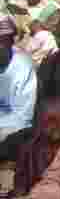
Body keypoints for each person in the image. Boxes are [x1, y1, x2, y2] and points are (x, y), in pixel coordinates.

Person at [0, 17, 37, 145]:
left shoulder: (23, 66)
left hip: (13, 130)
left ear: (11, 41)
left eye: (1, 41)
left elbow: (23, 116)